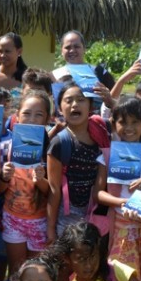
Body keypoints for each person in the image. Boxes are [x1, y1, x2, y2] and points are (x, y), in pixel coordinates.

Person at [96, 97, 141, 281]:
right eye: (123, 122)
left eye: (135, 122)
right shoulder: (107, 155)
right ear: (114, 123)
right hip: (122, 228)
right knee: (122, 278)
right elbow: (98, 194)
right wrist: (122, 201)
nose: (129, 127)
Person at [0, 90, 53, 276]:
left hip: (40, 222)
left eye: (38, 115)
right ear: (17, 116)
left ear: (47, 119)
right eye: (26, 113)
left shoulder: (51, 151)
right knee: (17, 272)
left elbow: (52, 191)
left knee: (38, 273)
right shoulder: (4, 149)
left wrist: (41, 180)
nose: (32, 119)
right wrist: (4, 176)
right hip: (13, 220)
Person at [46, 81, 108, 240]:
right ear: (60, 108)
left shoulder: (101, 136)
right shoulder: (60, 143)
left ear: (91, 106)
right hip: (67, 218)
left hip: (95, 214)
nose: (74, 105)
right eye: (68, 100)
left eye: (81, 100)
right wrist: (51, 228)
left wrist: (109, 98)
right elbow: (54, 189)